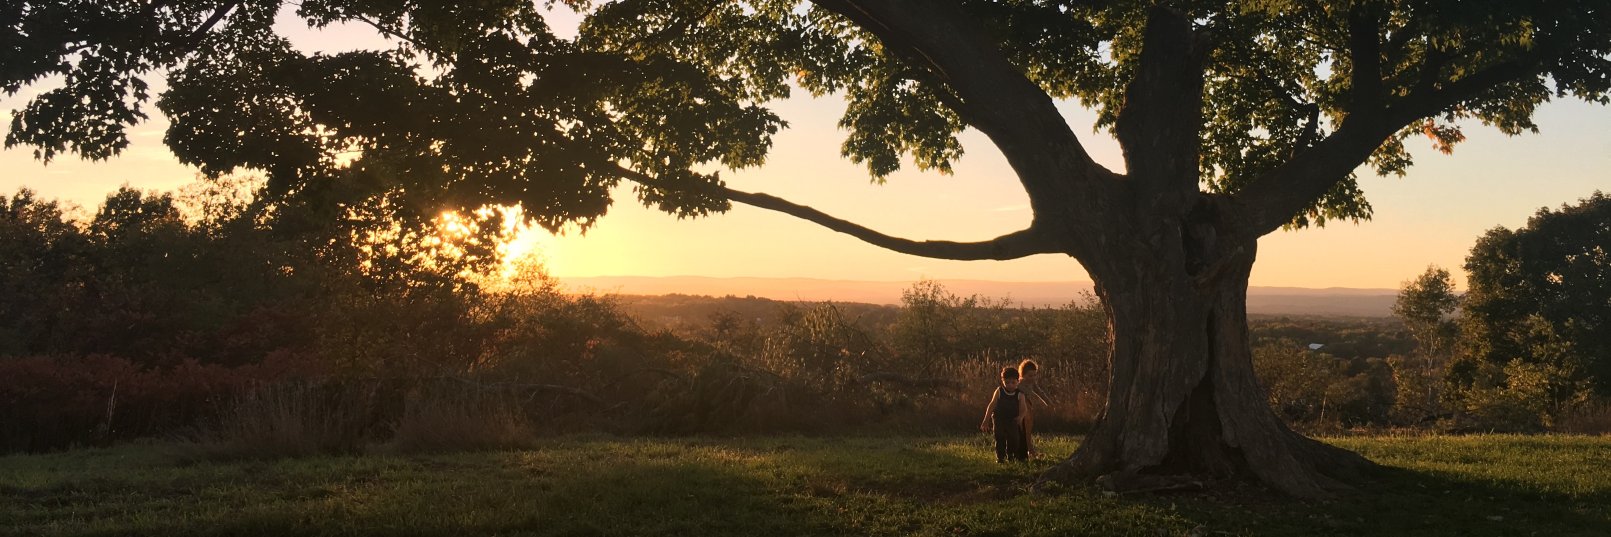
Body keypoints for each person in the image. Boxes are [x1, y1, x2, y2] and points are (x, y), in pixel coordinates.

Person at [979, 366, 1029, 463]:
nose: (1010, 385)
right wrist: (986, 420)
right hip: (999, 418)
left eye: (1013, 382)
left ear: (1018, 382)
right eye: (1007, 382)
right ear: (1003, 381)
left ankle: (1011, 455)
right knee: (999, 436)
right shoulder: (999, 391)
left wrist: (1020, 417)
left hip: (1013, 420)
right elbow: (992, 405)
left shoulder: (1020, 395)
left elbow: (1024, 409)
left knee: (1014, 439)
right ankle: (1000, 457)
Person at [1017, 359, 1053, 458]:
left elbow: (1040, 392)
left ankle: (1030, 450)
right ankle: (1027, 450)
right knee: (1021, 430)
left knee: (1028, 429)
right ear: (1022, 374)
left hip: (1028, 407)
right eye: (1030, 375)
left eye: (1034, 375)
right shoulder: (1018, 384)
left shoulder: (1033, 383)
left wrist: (1048, 402)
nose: (1032, 378)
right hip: (1020, 408)